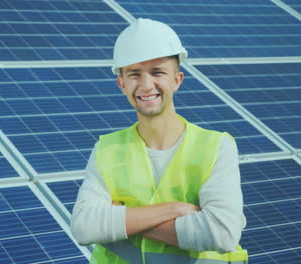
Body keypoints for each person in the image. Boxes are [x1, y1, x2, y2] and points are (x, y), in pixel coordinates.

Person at [70, 18, 248, 264]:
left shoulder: (216, 147)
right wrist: (175, 210)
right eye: (134, 74)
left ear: (177, 80)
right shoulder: (107, 149)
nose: (146, 85)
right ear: (121, 83)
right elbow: (84, 227)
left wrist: (120, 220)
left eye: (157, 72)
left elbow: (222, 233)